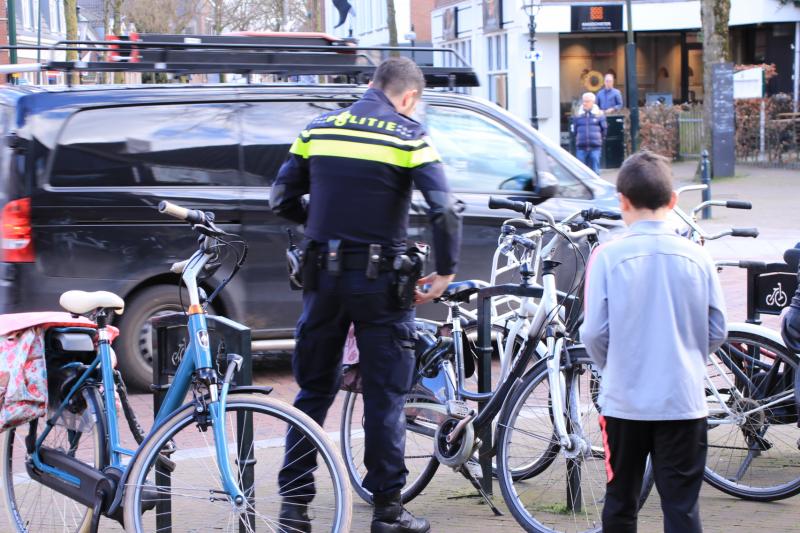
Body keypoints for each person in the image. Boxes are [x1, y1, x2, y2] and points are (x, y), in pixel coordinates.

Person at [270, 57, 462, 533]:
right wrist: (445, 271)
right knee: (384, 397)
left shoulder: (318, 129)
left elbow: (280, 199)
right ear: (409, 97)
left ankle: (294, 506)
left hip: (322, 280)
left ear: (371, 85)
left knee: (314, 390)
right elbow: (444, 209)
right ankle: (387, 513)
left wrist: (320, 220)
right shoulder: (407, 134)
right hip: (380, 285)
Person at [580, 151, 727, 533]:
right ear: (674, 201)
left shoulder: (607, 256)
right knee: (681, 507)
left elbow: (594, 332)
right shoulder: (699, 257)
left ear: (622, 201)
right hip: (683, 401)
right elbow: (718, 329)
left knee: (621, 502)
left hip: (625, 401)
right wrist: (688, 357)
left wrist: (614, 367)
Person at [571, 92, 607, 175]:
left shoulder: (599, 115)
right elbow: (574, 130)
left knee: (595, 170)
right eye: (583, 101)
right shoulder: (577, 115)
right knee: (581, 171)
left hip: (595, 147)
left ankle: (597, 187)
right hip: (581, 147)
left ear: (592, 102)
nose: (584, 103)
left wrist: (599, 140)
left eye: (587, 101)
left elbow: (604, 129)